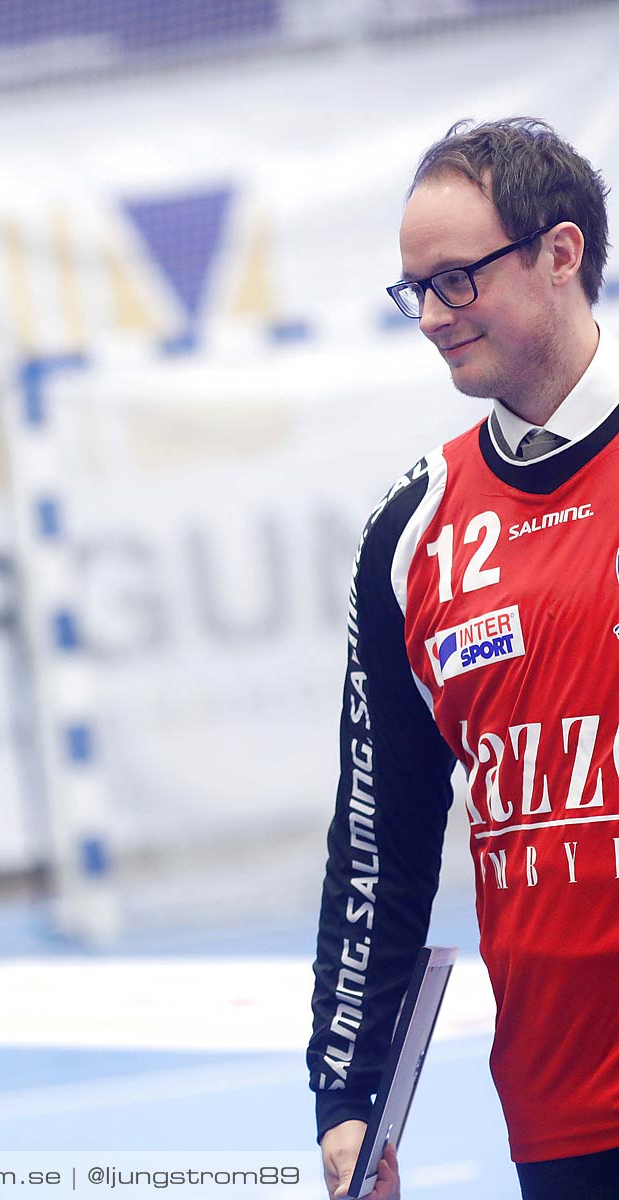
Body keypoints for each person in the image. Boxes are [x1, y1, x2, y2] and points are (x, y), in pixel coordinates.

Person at [309, 118, 617, 1200]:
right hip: (557, 1103)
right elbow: (377, 835)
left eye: (457, 280)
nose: (432, 318)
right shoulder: (415, 529)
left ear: (560, 253)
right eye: (414, 291)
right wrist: (347, 1095)